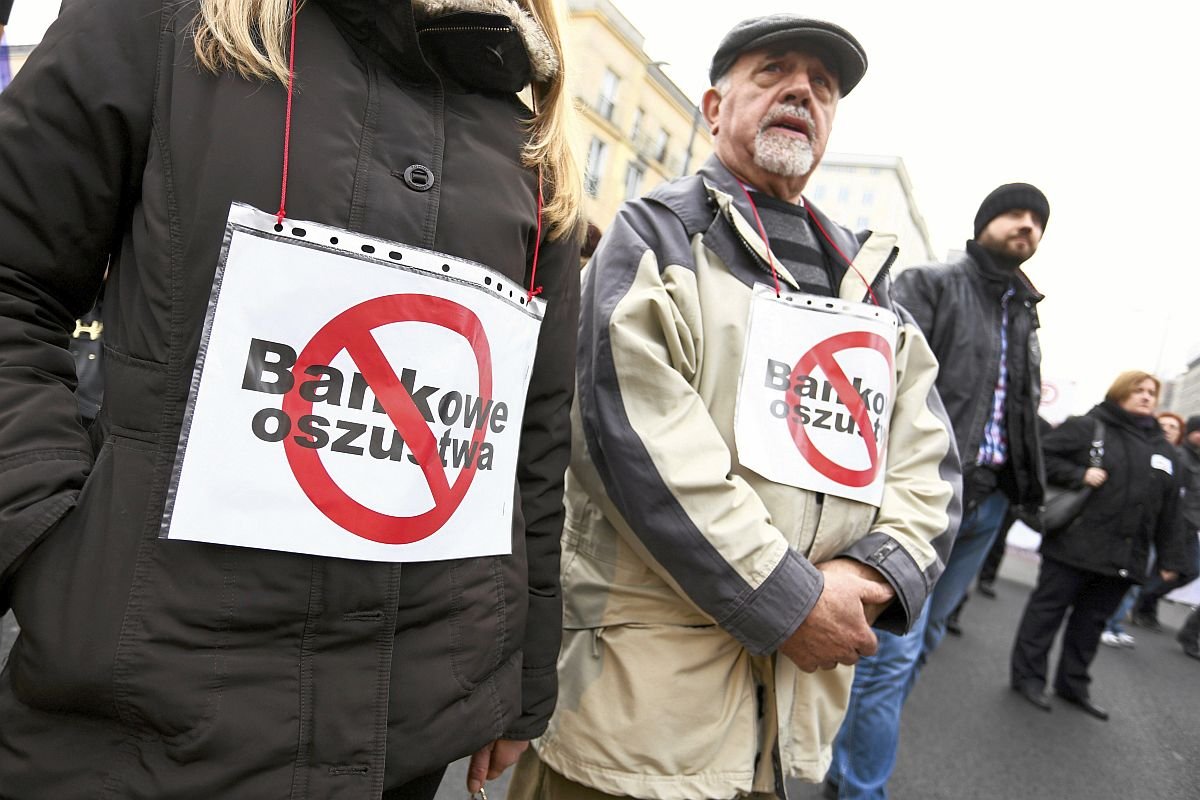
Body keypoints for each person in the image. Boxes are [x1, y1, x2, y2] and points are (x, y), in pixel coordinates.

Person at [0, 1, 581, 798]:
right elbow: (15, 282)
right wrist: (44, 543)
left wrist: (523, 679)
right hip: (135, 724)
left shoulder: (531, 139)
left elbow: (533, 438)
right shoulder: (167, 19)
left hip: (410, 732)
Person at [508, 15, 960, 800]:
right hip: (638, 722)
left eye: (823, 86)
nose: (801, 92)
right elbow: (635, 445)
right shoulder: (656, 238)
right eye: (773, 71)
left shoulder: (869, 286)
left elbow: (929, 465)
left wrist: (869, 575)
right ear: (714, 109)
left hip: (782, 727)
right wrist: (792, 603)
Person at [828, 183, 1049, 797]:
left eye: (1038, 222)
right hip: (930, 498)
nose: (1028, 227)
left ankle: (843, 767)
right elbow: (890, 385)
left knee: (920, 644)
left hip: (989, 506)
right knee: (892, 656)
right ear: (984, 223)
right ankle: (860, 788)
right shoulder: (930, 284)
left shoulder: (1024, 313)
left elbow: (1018, 410)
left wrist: (1024, 489)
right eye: (1016, 214)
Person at [1010, 371, 1189, 720]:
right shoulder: (1089, 426)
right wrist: (1078, 475)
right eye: (1138, 390)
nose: (1146, 396)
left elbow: (1171, 511)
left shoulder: (1165, 450)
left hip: (1123, 557)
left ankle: (1073, 685)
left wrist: (1171, 559)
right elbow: (1041, 458)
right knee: (1045, 614)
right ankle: (1027, 677)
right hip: (1073, 545)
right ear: (1120, 393)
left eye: (1152, 392)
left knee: (1091, 624)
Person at [1102, 409, 1194, 643]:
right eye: (1163, 425)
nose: (1167, 430)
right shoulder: (1144, 451)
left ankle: (1115, 624)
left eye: (1174, 427)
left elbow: (1174, 501)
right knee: (1117, 578)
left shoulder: (1175, 460)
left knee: (1136, 580)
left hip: (1158, 528)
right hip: (1132, 525)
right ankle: (1105, 623)